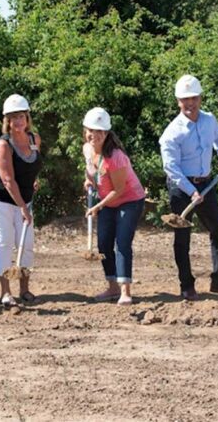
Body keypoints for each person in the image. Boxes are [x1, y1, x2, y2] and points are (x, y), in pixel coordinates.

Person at [159, 74, 218, 301]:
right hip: (181, 189)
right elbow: (171, 168)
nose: (190, 103)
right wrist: (191, 191)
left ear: (200, 98)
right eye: (185, 99)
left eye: (194, 98)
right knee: (182, 237)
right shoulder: (171, 133)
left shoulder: (210, 120)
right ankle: (186, 286)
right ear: (178, 101)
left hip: (206, 184)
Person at [0, 94, 42, 307]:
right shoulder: (3, 145)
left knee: (26, 244)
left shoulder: (34, 140)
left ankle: (24, 289)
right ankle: (5, 292)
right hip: (0, 198)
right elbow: (8, 180)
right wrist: (23, 208)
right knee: (5, 241)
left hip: (24, 197)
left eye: (21, 116)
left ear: (27, 117)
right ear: (7, 121)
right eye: (13, 118)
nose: (18, 122)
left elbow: (33, 165)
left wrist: (34, 181)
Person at [83, 108, 146, 306]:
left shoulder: (116, 157)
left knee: (123, 242)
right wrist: (88, 180)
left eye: (100, 131)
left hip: (129, 200)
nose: (95, 135)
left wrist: (97, 207)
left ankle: (125, 291)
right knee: (103, 244)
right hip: (108, 201)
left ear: (107, 133)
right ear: (85, 131)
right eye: (91, 130)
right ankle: (112, 287)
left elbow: (118, 190)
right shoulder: (87, 148)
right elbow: (91, 170)